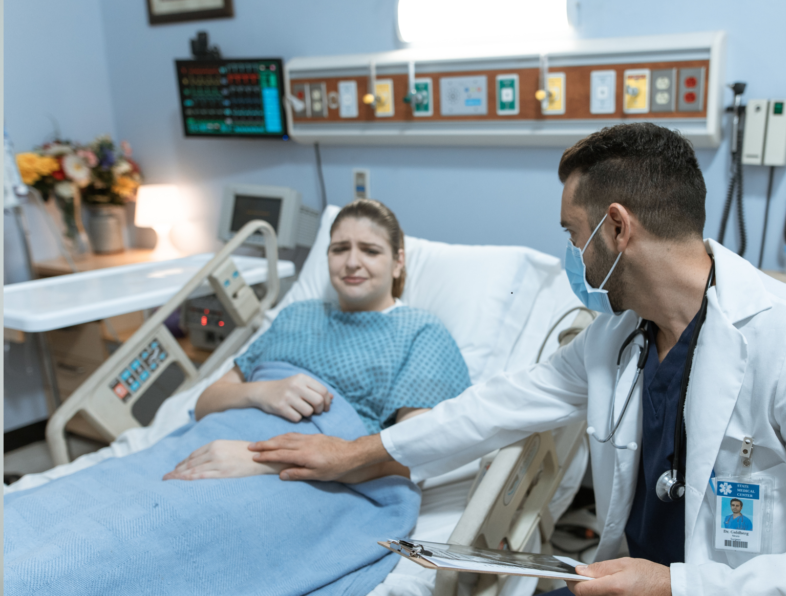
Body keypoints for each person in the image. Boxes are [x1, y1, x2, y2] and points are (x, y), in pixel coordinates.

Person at [246, 124, 786, 596]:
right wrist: (355, 454)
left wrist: (678, 585)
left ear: (617, 227)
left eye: (575, 235)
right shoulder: (617, 339)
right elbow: (493, 408)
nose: (575, 255)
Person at [4, 200, 473, 594]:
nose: (352, 261)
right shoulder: (296, 316)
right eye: (339, 248)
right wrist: (263, 391)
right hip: (206, 442)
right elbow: (207, 401)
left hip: (312, 477)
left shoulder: (421, 333)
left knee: (138, 534)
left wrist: (265, 459)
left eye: (370, 250)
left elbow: (414, 447)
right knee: (70, 508)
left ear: (397, 262)